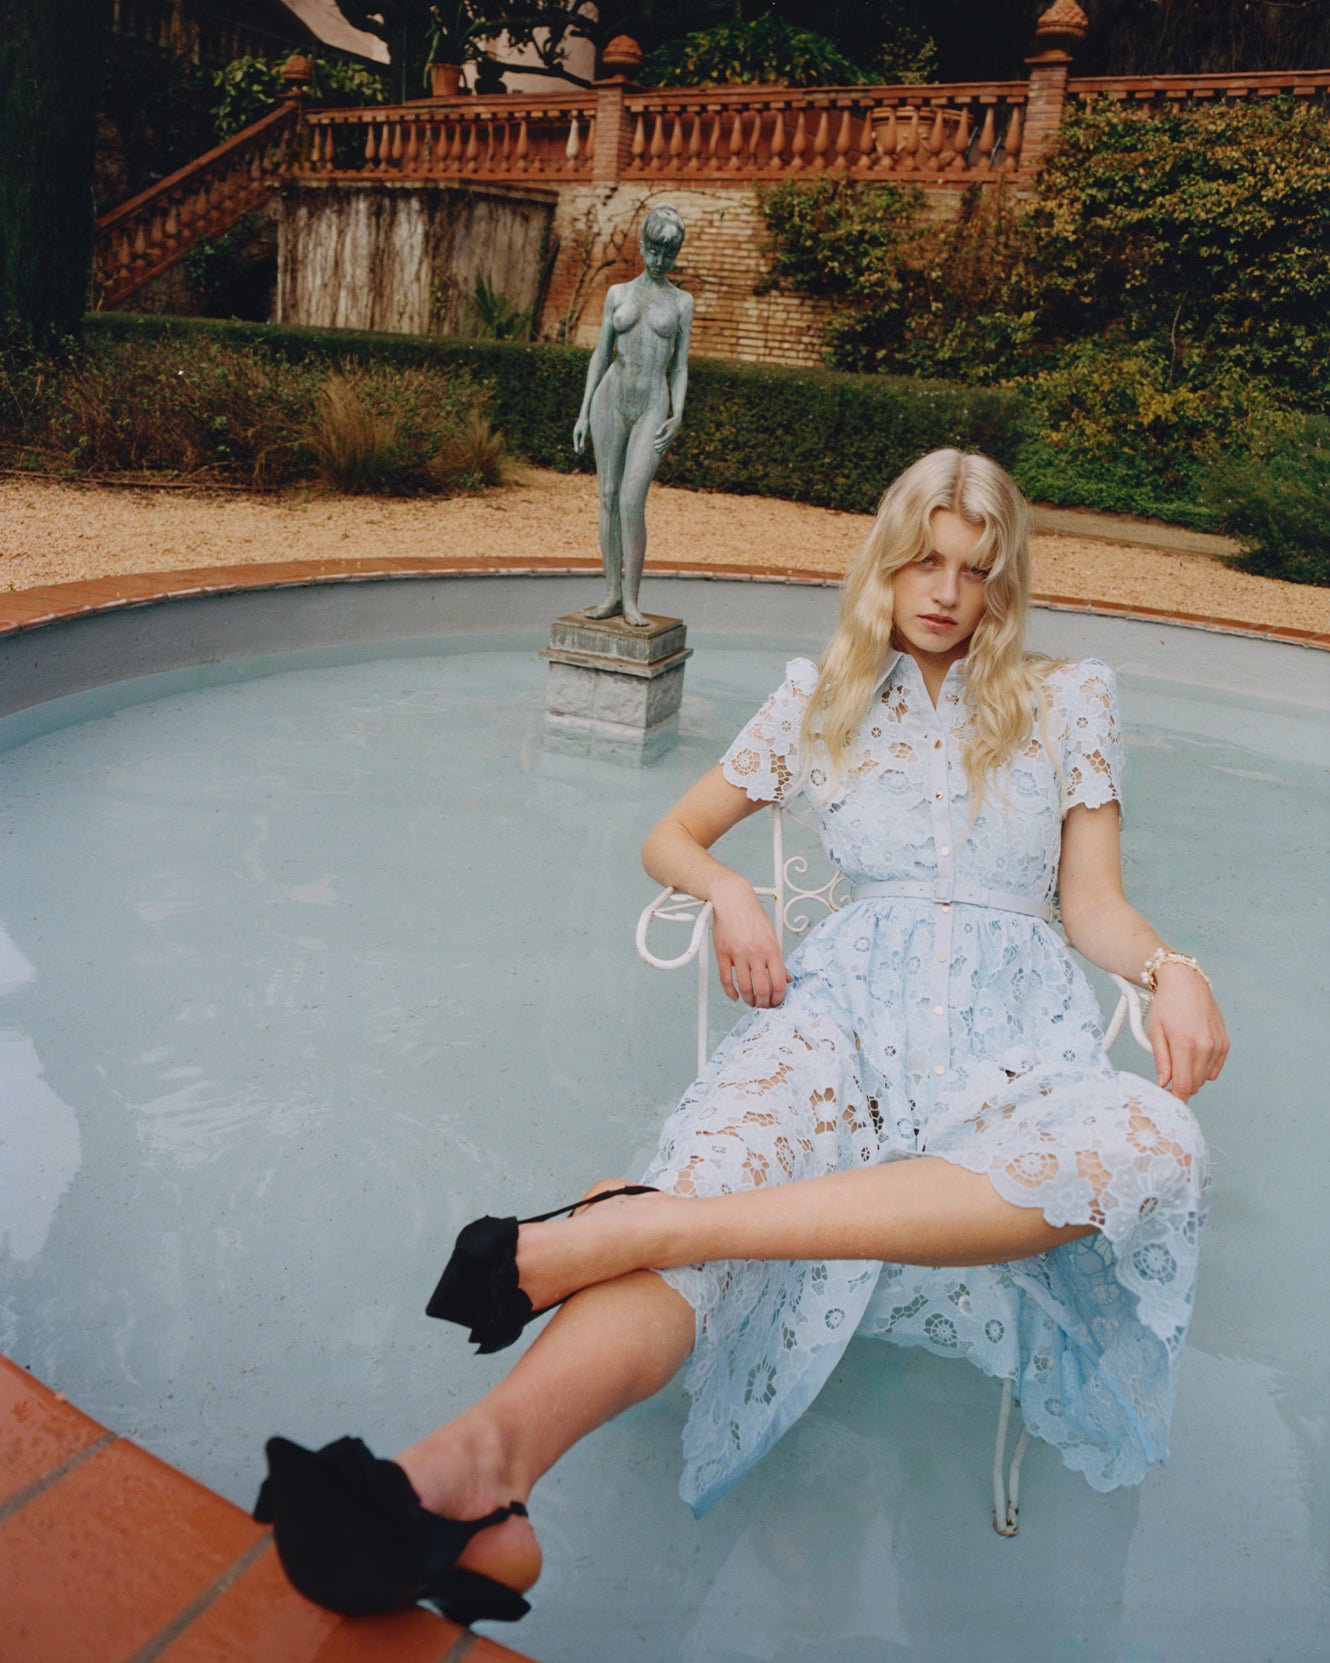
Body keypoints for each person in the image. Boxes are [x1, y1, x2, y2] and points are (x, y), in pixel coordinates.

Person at [255, 450, 1228, 1625]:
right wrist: (727, 891)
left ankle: (645, 1221)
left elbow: (1093, 906)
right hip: (835, 1029)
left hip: (1014, 1056)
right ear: (885, 559)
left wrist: (1170, 970)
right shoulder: (818, 698)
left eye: (975, 570)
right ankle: (475, 1469)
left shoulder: (1067, 700)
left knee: (1157, 1141)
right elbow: (669, 834)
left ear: (1003, 583)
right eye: (923, 558)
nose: (944, 591)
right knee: (730, 1149)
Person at [573, 204, 694, 629]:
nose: (660, 261)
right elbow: (600, 354)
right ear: (642, 246)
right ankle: (610, 592)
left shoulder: (681, 302)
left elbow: (679, 367)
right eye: (654, 251)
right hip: (611, 396)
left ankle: (632, 599)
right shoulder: (618, 294)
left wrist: (678, 414)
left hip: (652, 404)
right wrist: (584, 412)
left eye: (669, 253)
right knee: (608, 495)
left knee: (630, 499)